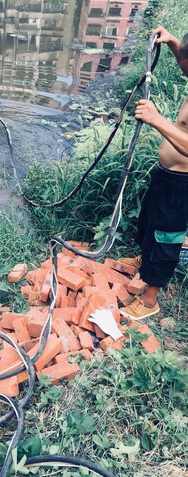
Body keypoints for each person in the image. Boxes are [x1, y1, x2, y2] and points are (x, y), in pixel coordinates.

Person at [120, 26, 188, 320]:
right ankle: (144, 261)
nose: (185, 72)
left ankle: (149, 300)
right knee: (150, 221)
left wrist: (157, 119)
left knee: (166, 236)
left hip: (181, 186)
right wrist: (173, 43)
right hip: (166, 176)